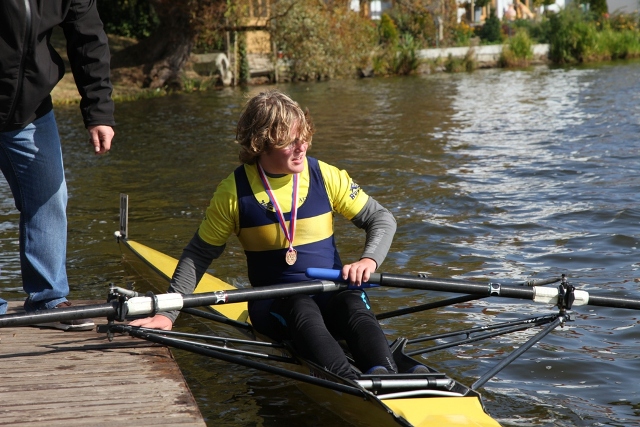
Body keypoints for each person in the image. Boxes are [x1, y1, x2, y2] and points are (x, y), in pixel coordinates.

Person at [131, 90, 428, 379]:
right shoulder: (233, 193)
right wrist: (167, 313)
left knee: (352, 303)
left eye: (304, 137)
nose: (302, 147)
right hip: (274, 303)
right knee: (301, 307)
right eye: (290, 141)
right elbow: (199, 254)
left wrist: (368, 261)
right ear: (261, 142)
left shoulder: (325, 176)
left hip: (330, 292)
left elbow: (381, 218)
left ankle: (386, 373)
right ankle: (351, 383)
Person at [0, 0, 115, 330]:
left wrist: (99, 112)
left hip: (30, 110)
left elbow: (88, 38)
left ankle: (47, 300)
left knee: (50, 197)